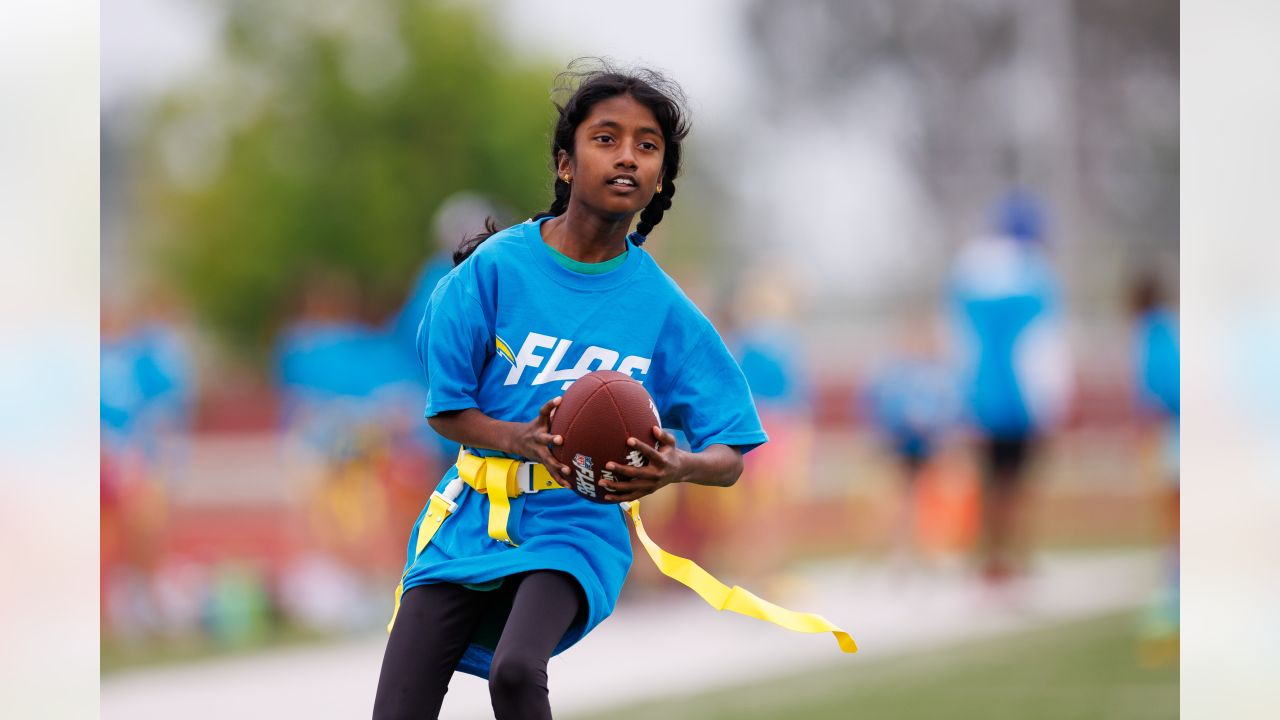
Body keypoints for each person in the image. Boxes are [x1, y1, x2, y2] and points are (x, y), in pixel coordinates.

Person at [372, 64, 776, 720]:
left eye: (647, 147)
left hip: (577, 521)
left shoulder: (665, 310)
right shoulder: (494, 270)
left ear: (660, 179)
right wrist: (520, 440)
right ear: (565, 163)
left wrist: (679, 466)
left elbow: (730, 453)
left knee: (515, 672)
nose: (627, 156)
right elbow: (446, 409)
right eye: (606, 138)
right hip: (469, 511)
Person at [947, 189, 1071, 585]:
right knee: (1019, 484)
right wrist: (1053, 401)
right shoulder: (1038, 275)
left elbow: (957, 342)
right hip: (1023, 399)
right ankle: (1019, 558)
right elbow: (1042, 348)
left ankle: (988, 559)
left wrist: (960, 396)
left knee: (986, 482)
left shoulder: (966, 273)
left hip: (979, 395)